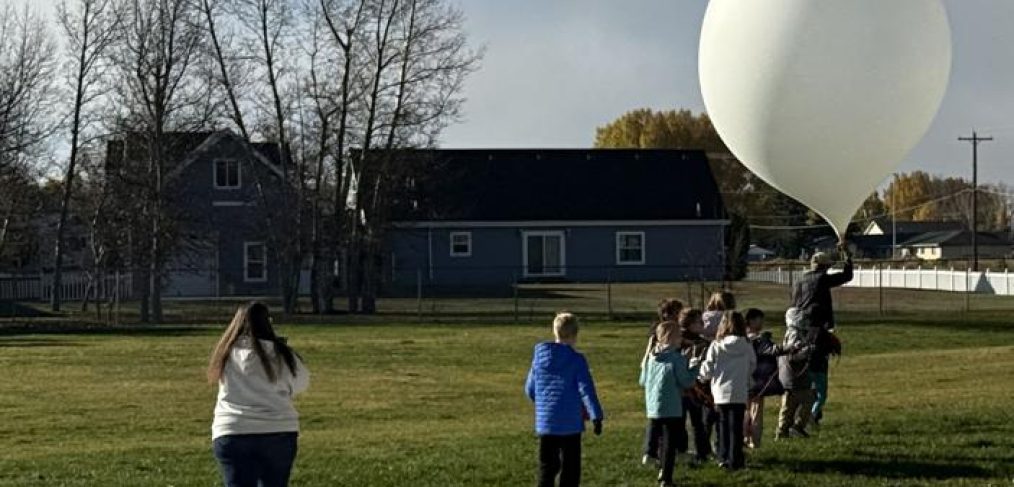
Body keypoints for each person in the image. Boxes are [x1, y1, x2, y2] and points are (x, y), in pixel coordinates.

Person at [208, 302, 310, 487]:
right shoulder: (282, 355)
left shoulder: (225, 354)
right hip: (278, 429)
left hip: (233, 428)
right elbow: (301, 383)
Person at [525, 312, 604, 487]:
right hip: (570, 424)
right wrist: (596, 415)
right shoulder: (577, 360)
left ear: (555, 332)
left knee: (546, 466)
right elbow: (586, 390)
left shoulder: (539, 358)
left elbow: (530, 389)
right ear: (575, 335)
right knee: (571, 467)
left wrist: (544, 406)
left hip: (546, 423)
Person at [791, 247, 853, 426]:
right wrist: (847, 257)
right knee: (819, 370)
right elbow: (846, 276)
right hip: (817, 331)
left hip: (799, 329)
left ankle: (806, 412)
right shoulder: (822, 278)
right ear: (825, 267)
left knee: (805, 372)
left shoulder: (799, 280)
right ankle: (811, 414)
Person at [639, 320, 698, 487]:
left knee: (658, 439)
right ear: (671, 338)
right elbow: (686, 382)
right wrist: (694, 366)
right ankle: (666, 477)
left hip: (653, 407)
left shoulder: (652, 358)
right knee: (669, 444)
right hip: (672, 407)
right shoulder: (675, 358)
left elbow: (642, 380)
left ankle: (657, 463)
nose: (681, 339)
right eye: (679, 335)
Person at [698, 311, 755, 471]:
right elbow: (752, 364)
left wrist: (702, 376)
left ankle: (723, 456)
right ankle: (736, 459)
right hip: (738, 389)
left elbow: (708, 367)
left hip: (720, 390)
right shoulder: (746, 344)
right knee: (736, 427)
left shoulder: (716, 345)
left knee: (723, 424)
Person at [641, 298, 684, 466]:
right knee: (664, 424)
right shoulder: (665, 336)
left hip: (656, 389)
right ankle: (659, 452)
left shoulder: (666, 334)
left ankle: (653, 452)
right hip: (666, 387)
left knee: (655, 421)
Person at [744, 308, 792, 449]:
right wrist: (790, 348)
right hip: (758, 380)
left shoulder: (741, 338)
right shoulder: (758, 339)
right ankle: (754, 441)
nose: (762, 322)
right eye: (760, 319)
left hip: (743, 379)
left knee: (744, 410)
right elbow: (773, 350)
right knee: (756, 412)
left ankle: (744, 438)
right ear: (751, 321)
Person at [677, 308, 712, 464]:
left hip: (697, 388)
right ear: (690, 324)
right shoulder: (678, 341)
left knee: (698, 422)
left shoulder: (703, 342)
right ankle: (681, 450)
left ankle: (702, 451)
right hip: (681, 389)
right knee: (680, 421)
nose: (703, 324)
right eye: (699, 321)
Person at [776, 308, 815, 440]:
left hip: (797, 375)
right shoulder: (793, 334)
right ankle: (785, 431)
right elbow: (791, 356)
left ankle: (793, 428)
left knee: (805, 400)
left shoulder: (799, 333)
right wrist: (806, 352)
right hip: (791, 376)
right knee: (790, 405)